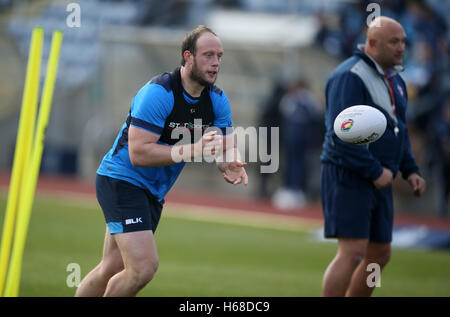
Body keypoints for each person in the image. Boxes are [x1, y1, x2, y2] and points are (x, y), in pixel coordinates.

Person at [75, 25, 248, 297]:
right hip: (122, 179)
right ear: (188, 57)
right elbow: (138, 153)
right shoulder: (159, 92)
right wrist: (192, 150)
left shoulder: (217, 99)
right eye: (208, 55)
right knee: (142, 268)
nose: (216, 63)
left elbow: (225, 146)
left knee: (111, 268)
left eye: (220, 56)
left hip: (152, 192)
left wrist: (229, 163)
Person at [320, 16, 426, 297]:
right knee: (353, 251)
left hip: (380, 178)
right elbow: (339, 135)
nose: (401, 47)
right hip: (350, 174)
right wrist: (374, 171)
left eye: (403, 41)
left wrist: (410, 169)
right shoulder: (349, 76)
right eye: (394, 41)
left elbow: (398, 131)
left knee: (380, 254)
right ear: (372, 43)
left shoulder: (396, 80)